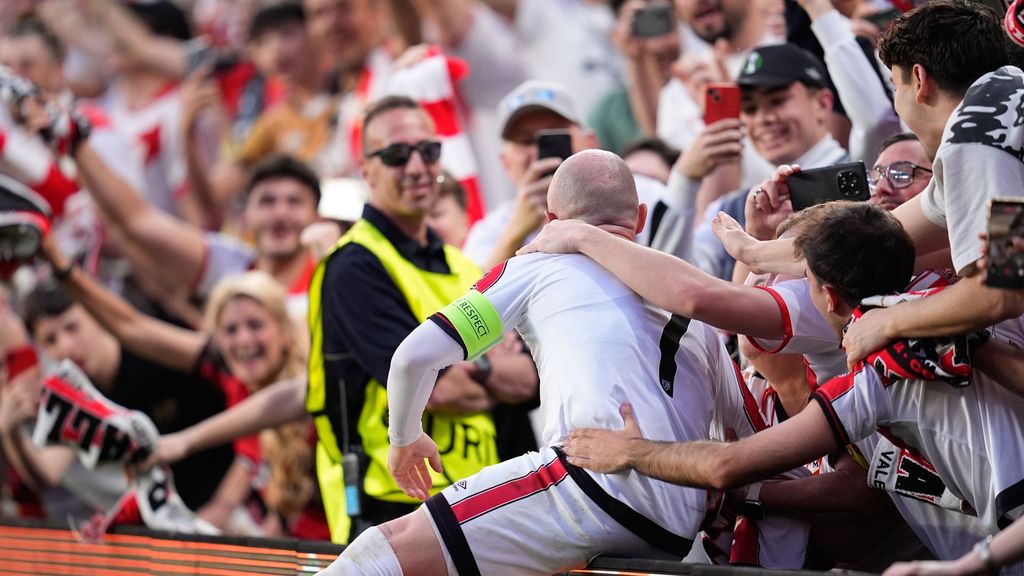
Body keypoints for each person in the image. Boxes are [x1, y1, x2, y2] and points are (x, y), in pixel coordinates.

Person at [322, 149, 811, 576]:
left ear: (550, 220)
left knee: (383, 551)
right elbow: (752, 438)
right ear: (640, 218)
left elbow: (413, 356)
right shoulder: (698, 315)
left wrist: (404, 439)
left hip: (588, 488)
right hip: (673, 525)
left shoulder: (539, 261)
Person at [547, 202, 1024, 558]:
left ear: (829, 296)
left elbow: (727, 467)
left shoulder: (874, 374)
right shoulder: (975, 291)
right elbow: (999, 209)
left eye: (803, 282)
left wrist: (631, 452)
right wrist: (750, 250)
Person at [307, 95, 539, 544]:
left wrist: (469, 369)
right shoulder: (354, 266)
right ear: (366, 168)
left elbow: (528, 381)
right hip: (389, 509)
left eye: (428, 151)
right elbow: (440, 388)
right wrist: (483, 368)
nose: (416, 166)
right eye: (396, 154)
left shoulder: (462, 265)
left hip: (474, 501)